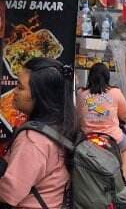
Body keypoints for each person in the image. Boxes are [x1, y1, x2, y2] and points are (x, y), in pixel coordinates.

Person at [0, 58, 78, 208]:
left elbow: (10, 193)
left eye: (20, 87)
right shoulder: (62, 126)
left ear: (41, 95)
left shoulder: (33, 139)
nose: (14, 92)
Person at [77, 63, 126, 176]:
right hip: (112, 136)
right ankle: (122, 178)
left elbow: (78, 114)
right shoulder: (115, 92)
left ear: (90, 77)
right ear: (107, 77)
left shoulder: (81, 93)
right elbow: (125, 115)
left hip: (86, 137)